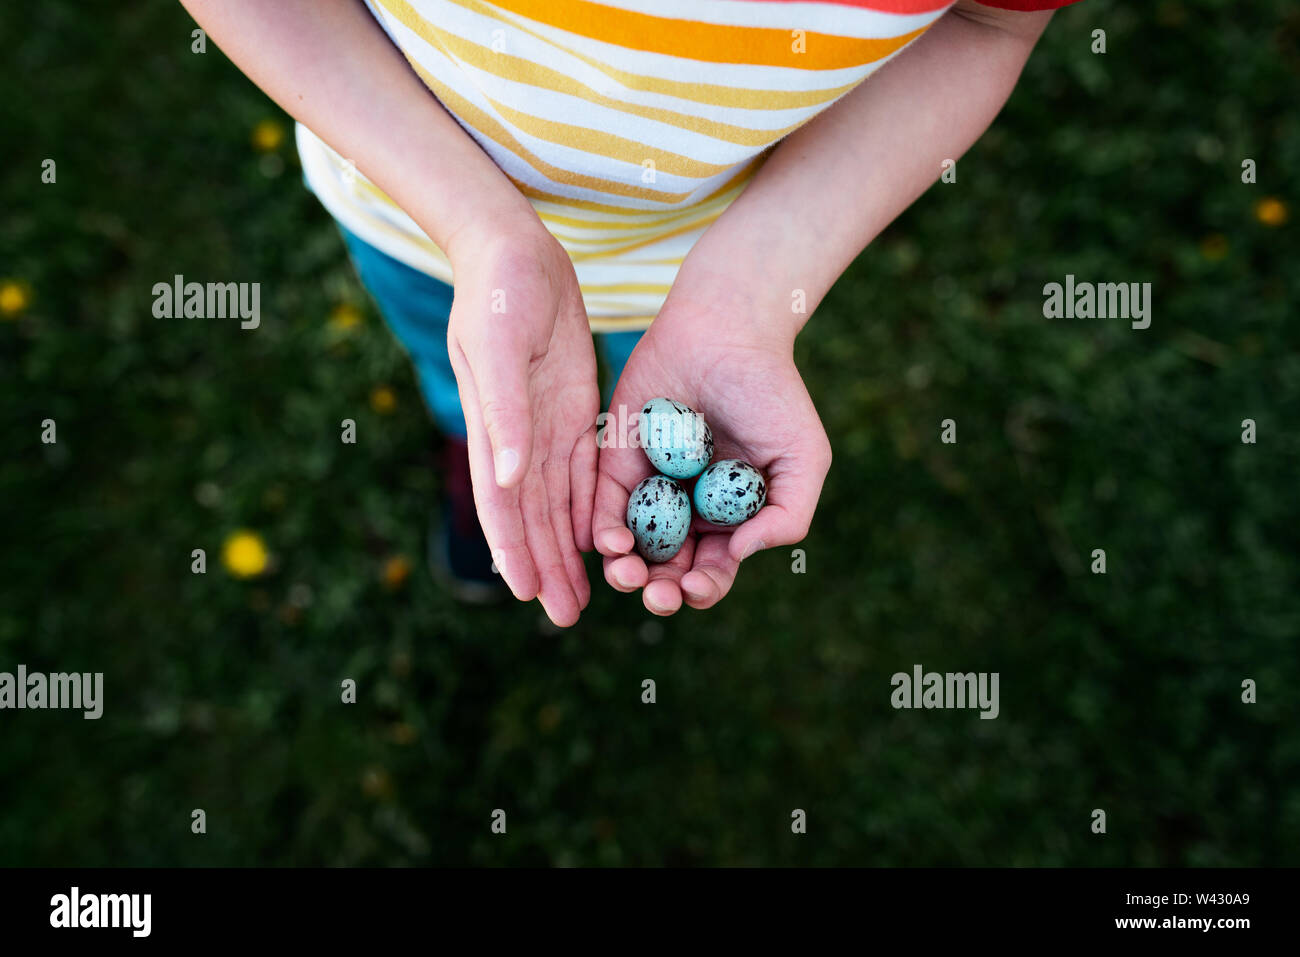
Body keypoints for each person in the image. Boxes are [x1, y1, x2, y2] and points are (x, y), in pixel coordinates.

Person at [180, 0, 1081, 626]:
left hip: (704, 259)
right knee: (479, 384)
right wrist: (476, 224)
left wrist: (749, 295)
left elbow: (983, 19)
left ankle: (540, 461)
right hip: (424, 223)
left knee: (607, 392)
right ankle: (483, 451)